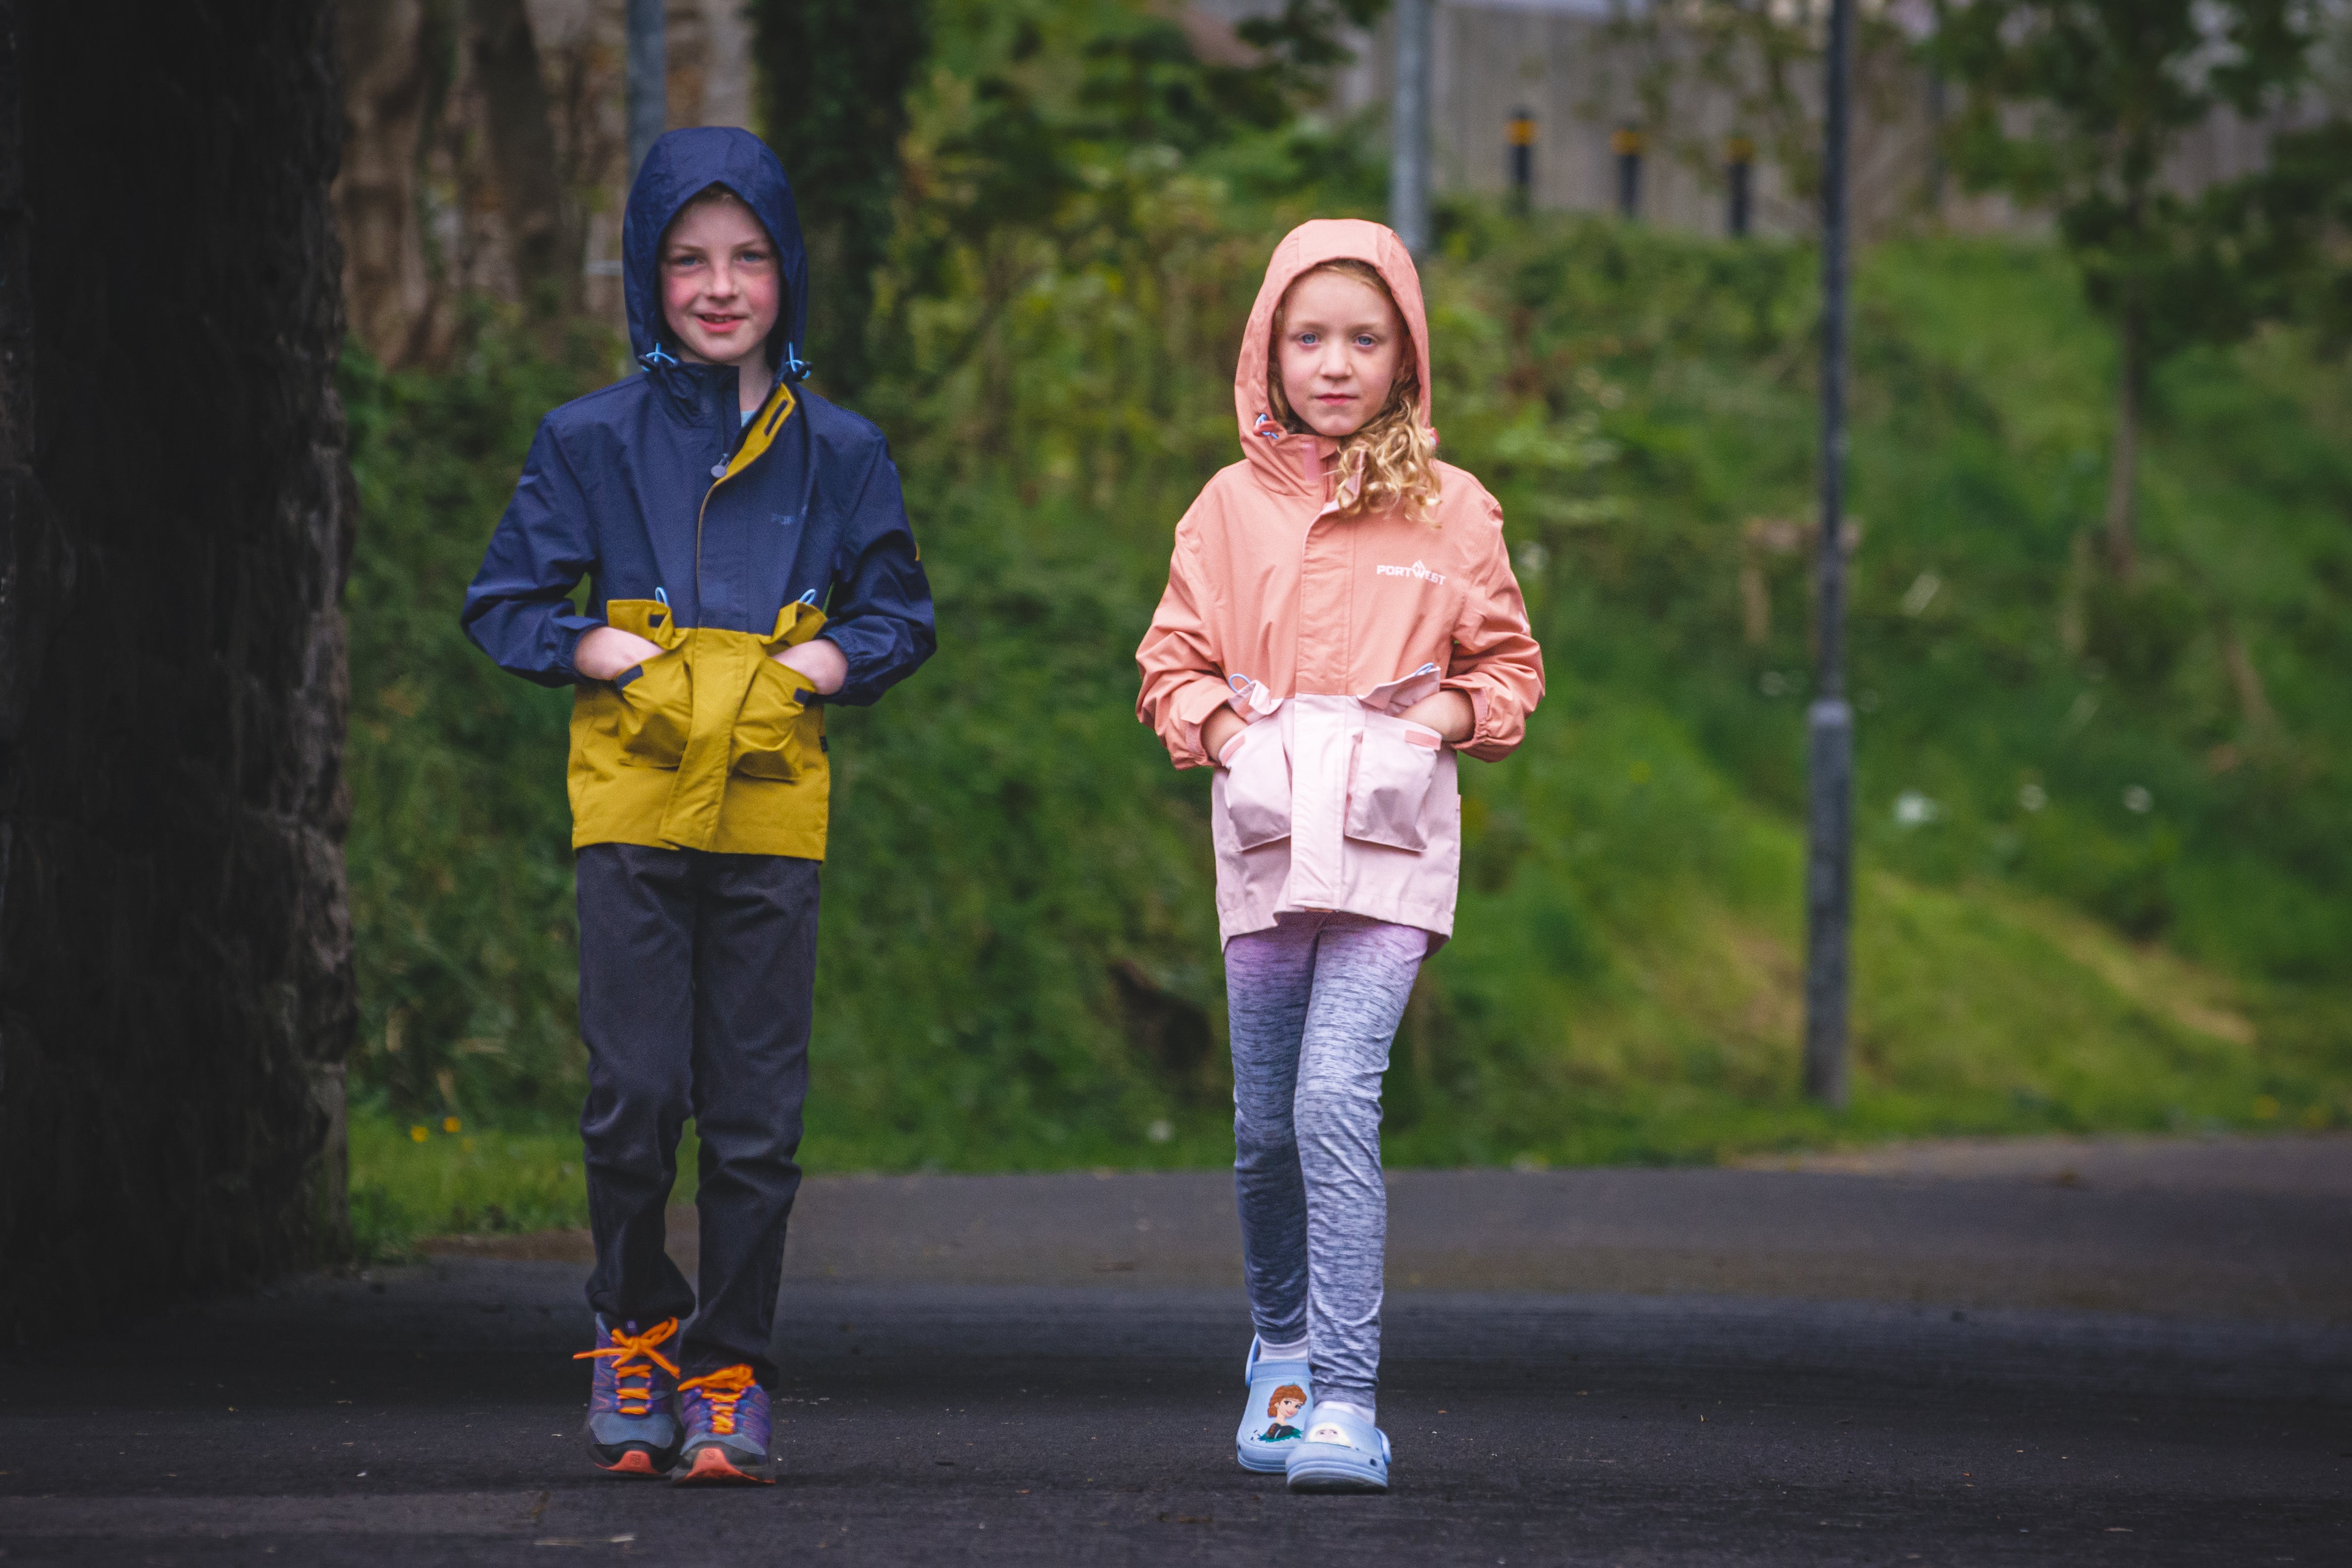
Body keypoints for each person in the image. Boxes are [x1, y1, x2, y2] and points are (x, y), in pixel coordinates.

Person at [462, 127, 935, 1486]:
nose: (719, 285)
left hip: (773, 809)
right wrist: (601, 647)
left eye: (748, 256)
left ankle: (730, 1372)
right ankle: (632, 1322)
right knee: (634, 1093)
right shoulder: (587, 441)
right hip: (630, 801)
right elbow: (502, 604)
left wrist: (823, 663)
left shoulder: (844, 450)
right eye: (687, 258)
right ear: (646, 273)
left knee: (753, 1113)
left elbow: (901, 612)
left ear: (788, 270)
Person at [1135, 220, 1543, 1495]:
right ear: (1267, 347)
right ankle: (1283, 1346)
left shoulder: (1455, 507)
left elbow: (1510, 673)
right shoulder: (1225, 508)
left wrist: (1431, 721)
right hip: (1265, 855)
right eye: (1308, 336)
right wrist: (1222, 726)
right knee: (1263, 1129)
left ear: (1405, 355)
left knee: (1331, 1103)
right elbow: (1167, 666)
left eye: (1365, 338)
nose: (1334, 362)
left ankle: (1350, 1398)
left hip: (1388, 856)